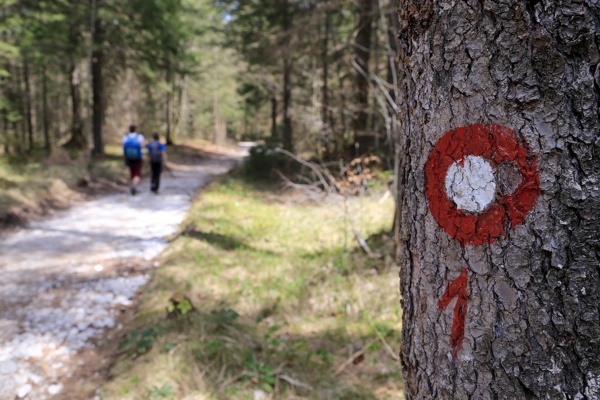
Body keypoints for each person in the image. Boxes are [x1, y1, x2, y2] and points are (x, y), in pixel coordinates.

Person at [123, 125, 145, 195]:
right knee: (137, 173)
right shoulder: (139, 137)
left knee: (132, 172)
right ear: (135, 129)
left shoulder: (125, 137)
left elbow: (123, 147)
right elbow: (142, 146)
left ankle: (132, 185)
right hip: (138, 157)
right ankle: (135, 185)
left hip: (129, 157)